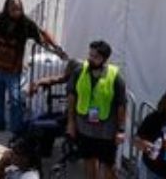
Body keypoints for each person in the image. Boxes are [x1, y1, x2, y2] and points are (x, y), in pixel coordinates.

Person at [29, 39, 126, 179]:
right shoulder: (80, 71)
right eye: (90, 55)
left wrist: (121, 130)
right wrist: (71, 123)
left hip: (106, 130)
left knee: (107, 166)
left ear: (104, 59)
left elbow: (121, 104)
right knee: (89, 160)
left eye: (95, 57)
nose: (90, 59)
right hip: (85, 127)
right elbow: (71, 97)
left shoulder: (115, 77)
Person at [0, 0, 63, 134]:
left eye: (19, 9)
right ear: (7, 9)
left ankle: (17, 128)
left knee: (15, 99)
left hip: (13, 69)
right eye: (13, 9)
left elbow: (43, 34)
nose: (17, 12)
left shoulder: (26, 24)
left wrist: (56, 48)